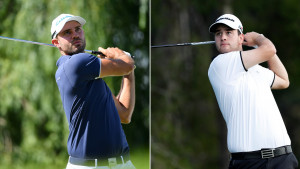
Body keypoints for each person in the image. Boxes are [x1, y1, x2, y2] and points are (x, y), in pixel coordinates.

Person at [208, 14, 298, 169]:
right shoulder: (221, 64)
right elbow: (269, 49)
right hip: (250, 162)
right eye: (218, 33)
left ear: (240, 38)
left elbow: (284, 81)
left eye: (229, 32)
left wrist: (259, 45)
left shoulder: (256, 70)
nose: (223, 37)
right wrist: (258, 38)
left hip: (283, 159)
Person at [51, 14, 136, 169]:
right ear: (56, 43)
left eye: (77, 29)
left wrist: (127, 70)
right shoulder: (76, 64)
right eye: (67, 32)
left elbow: (124, 115)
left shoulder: (91, 76)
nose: (75, 34)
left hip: (122, 163)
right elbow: (127, 65)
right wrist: (123, 57)